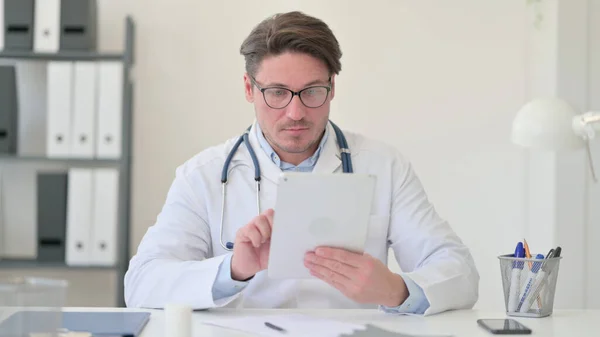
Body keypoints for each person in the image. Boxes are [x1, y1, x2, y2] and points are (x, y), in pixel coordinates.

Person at [124, 11, 479, 316]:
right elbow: (142, 283)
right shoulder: (202, 175)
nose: (296, 113)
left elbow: (460, 272)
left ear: (332, 87)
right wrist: (233, 270)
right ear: (249, 89)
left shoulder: (384, 165)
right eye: (277, 92)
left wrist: (397, 290)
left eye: (311, 92)